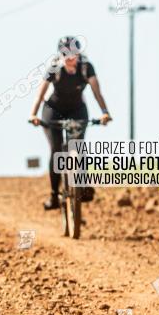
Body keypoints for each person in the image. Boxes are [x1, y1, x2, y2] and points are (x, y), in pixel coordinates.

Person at [29, 36, 112, 210]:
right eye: (66, 53)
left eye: (73, 53)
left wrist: (105, 112)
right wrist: (33, 114)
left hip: (77, 109)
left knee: (78, 146)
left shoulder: (86, 67)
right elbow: (40, 93)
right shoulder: (55, 67)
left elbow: (97, 93)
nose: (70, 57)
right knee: (56, 149)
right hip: (53, 110)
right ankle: (53, 195)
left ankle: (82, 183)